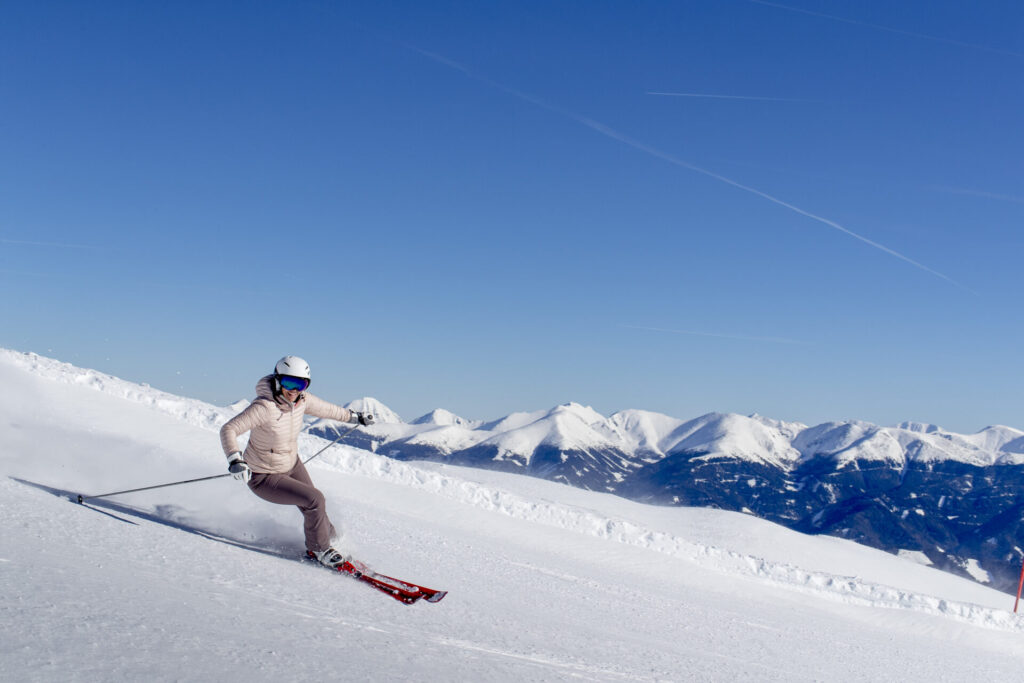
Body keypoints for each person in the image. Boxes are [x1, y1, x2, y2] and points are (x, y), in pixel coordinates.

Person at [219, 355, 374, 568]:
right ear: (277, 380)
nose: (294, 390)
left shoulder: (302, 401)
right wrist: (235, 459)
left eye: (300, 384)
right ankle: (319, 550)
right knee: (315, 499)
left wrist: (355, 417)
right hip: (263, 476)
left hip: (291, 465)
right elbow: (229, 429)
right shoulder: (265, 407)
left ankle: (334, 542)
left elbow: (329, 410)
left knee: (316, 508)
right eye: (288, 383)